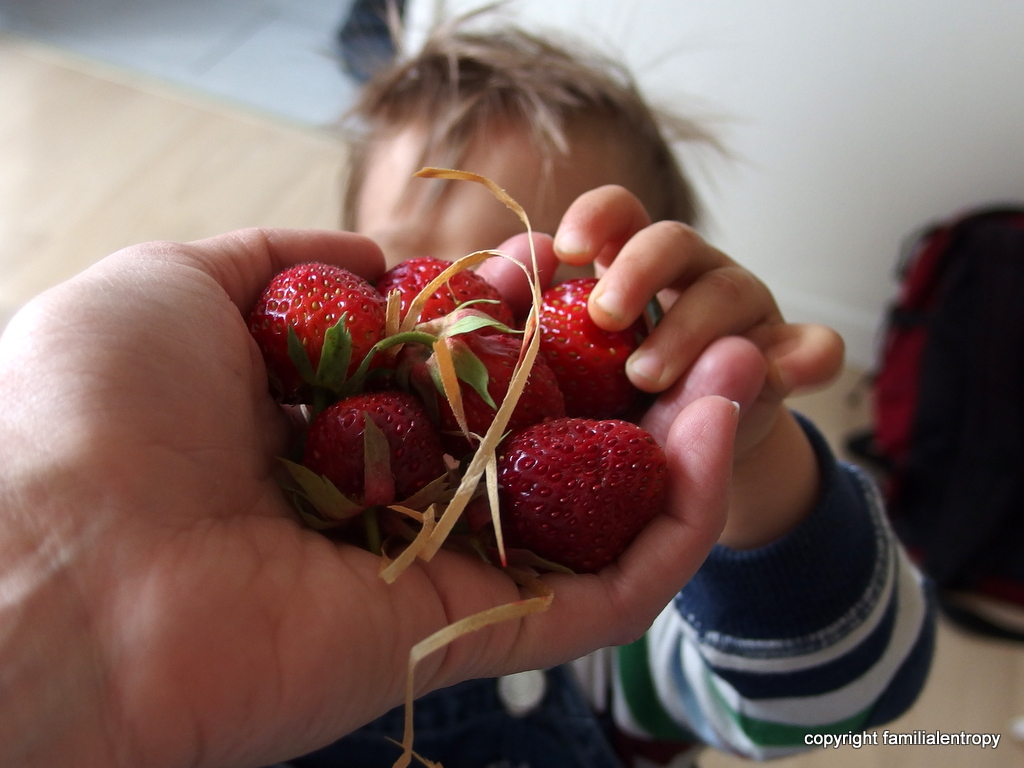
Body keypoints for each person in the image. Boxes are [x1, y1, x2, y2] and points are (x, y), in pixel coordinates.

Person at [274, 21, 936, 768]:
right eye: (410, 278)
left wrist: (748, 455)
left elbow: (834, 701)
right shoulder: (271, 535)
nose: (455, 342)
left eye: (536, 305)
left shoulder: (627, 595)